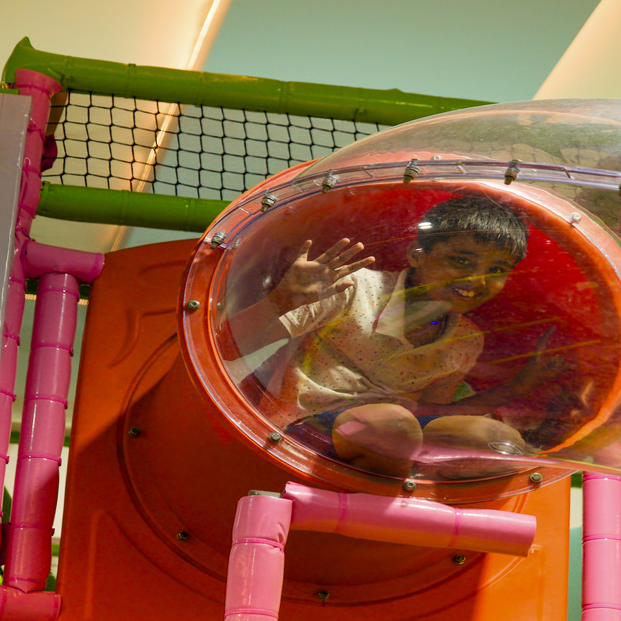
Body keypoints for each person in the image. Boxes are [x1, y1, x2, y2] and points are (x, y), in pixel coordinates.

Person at [226, 195, 565, 477]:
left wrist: (517, 388)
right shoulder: (353, 288)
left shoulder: (465, 339)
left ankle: (410, 487)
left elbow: (433, 411)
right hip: (306, 429)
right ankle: (396, 478)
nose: (477, 280)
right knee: (392, 425)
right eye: (461, 260)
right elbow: (231, 347)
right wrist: (280, 301)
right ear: (418, 255)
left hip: (399, 442)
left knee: (496, 440)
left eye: (496, 271)